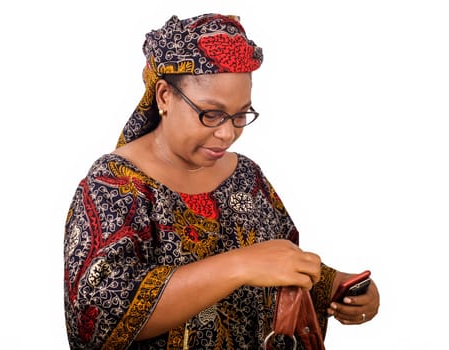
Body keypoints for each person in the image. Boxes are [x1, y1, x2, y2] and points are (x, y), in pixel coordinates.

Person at [63, 13, 380, 349]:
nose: (228, 133)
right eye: (210, 114)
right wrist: (239, 265)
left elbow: (276, 263)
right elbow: (96, 318)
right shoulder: (113, 185)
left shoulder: (247, 175)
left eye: (241, 115)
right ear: (164, 97)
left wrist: (337, 286)